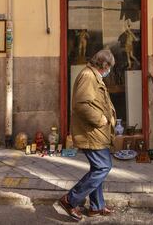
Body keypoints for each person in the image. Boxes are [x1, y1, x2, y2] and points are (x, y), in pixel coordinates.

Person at [58, 49, 116, 221]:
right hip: (91, 132)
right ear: (104, 65)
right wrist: (101, 120)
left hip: (96, 133)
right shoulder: (88, 76)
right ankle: (70, 199)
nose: (109, 70)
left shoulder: (92, 75)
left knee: (98, 168)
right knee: (103, 167)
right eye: (109, 67)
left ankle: (96, 207)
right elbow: (81, 105)